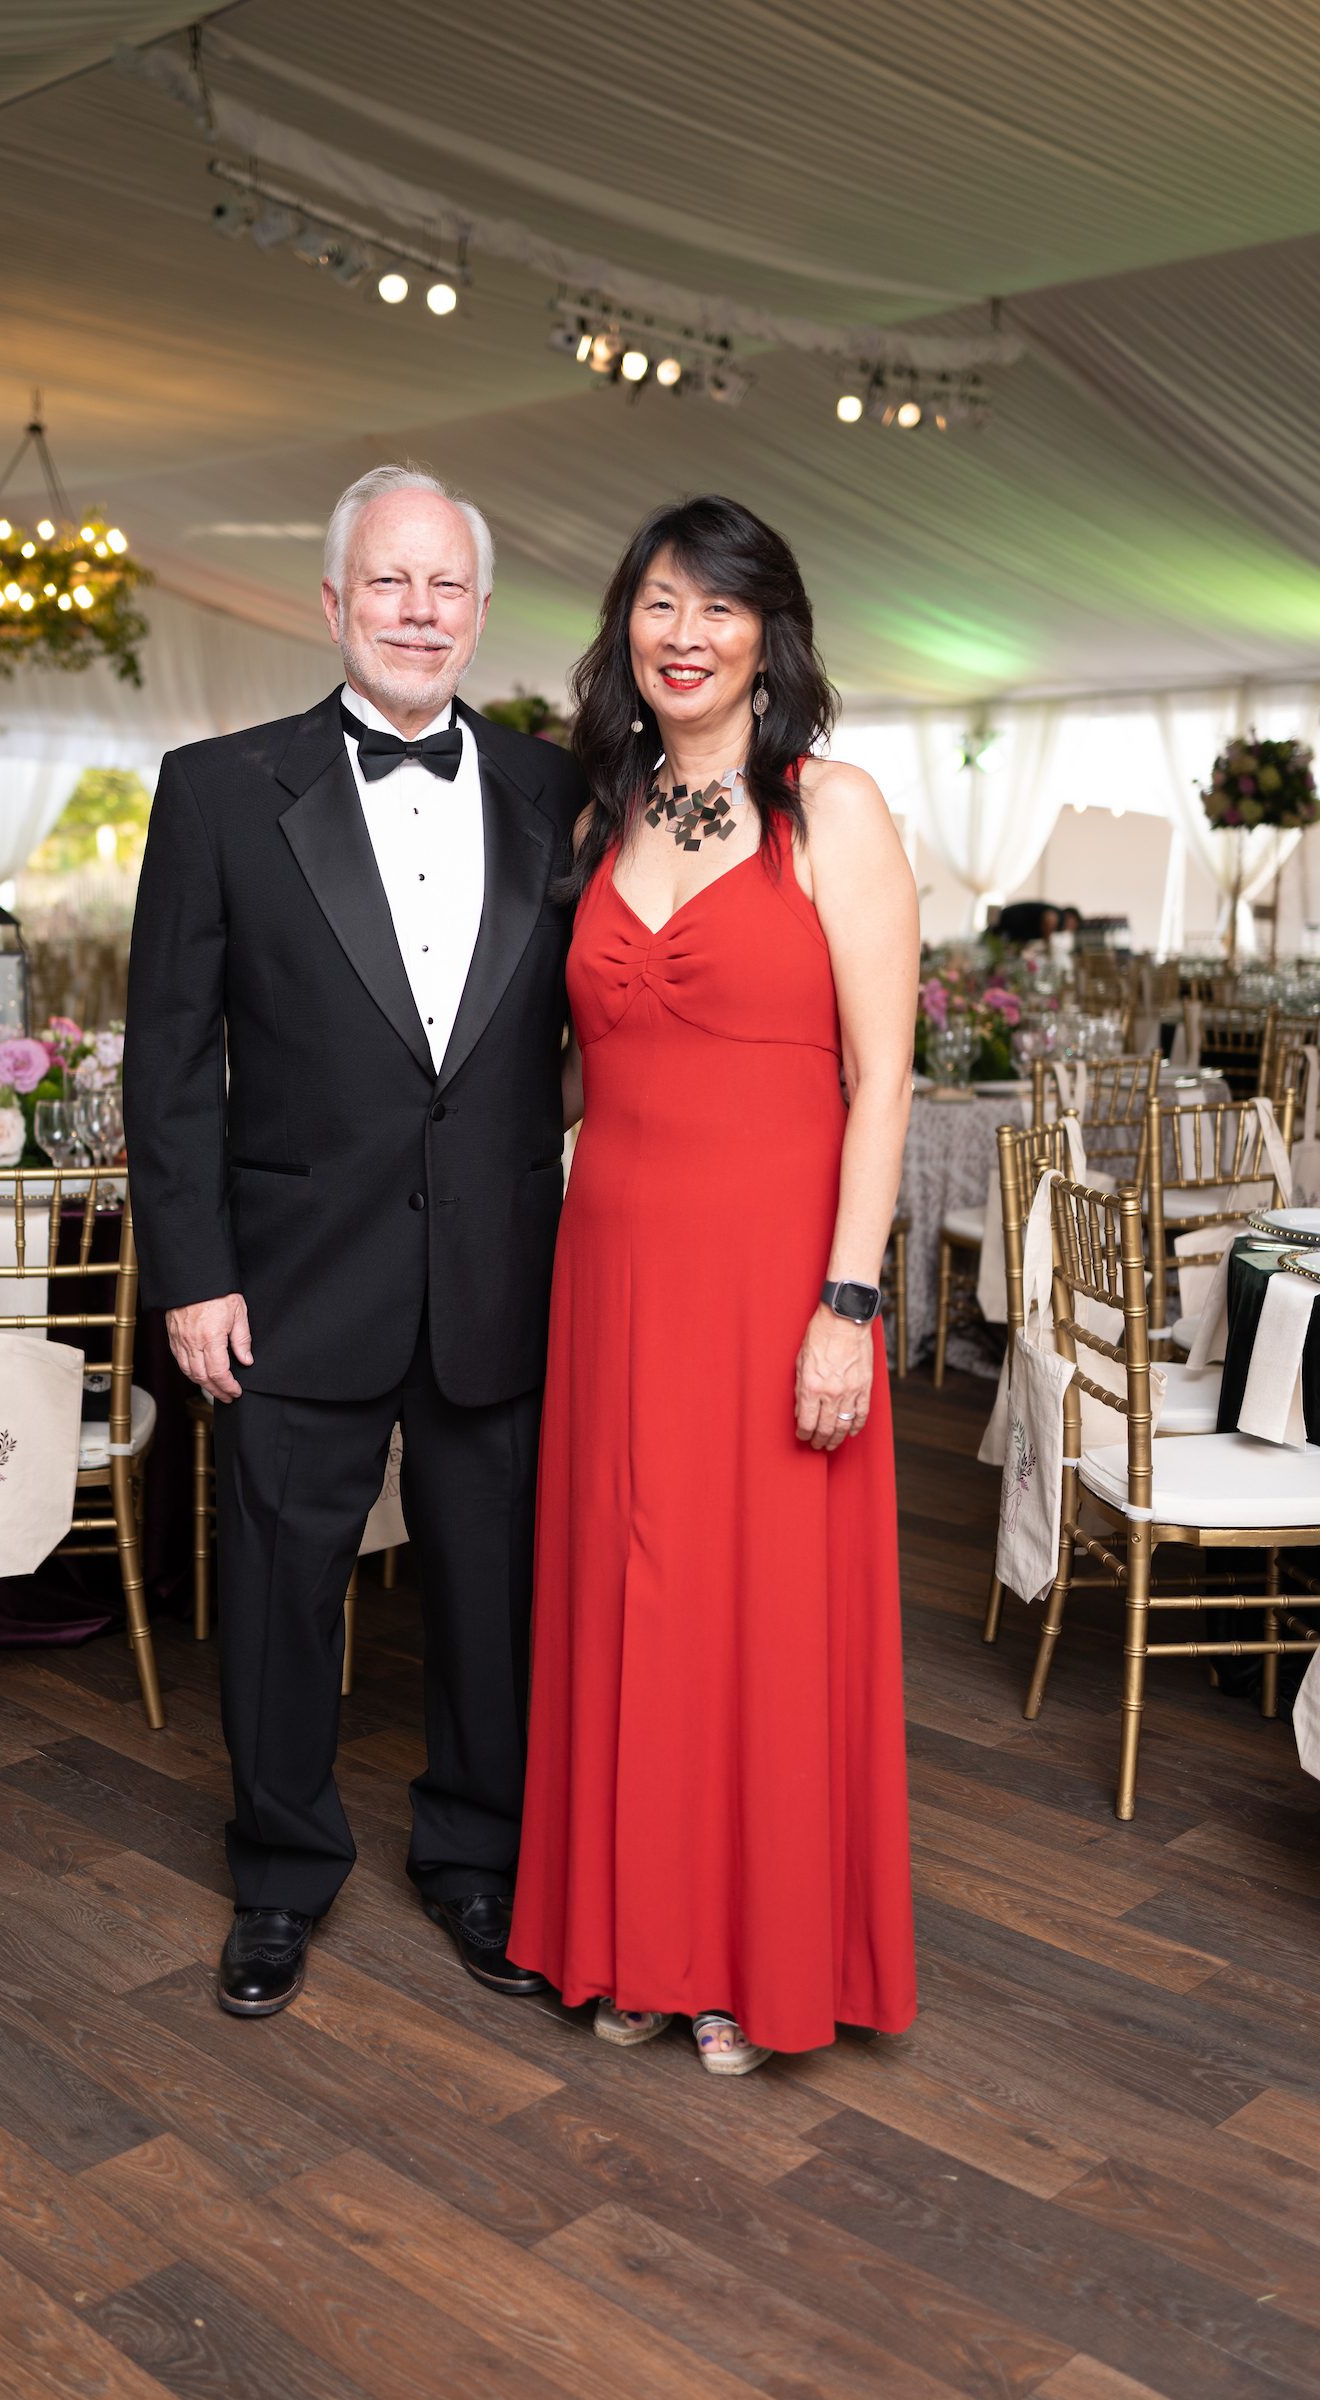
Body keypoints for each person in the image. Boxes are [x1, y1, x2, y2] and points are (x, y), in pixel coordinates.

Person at [125, 464, 585, 2017]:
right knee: (275, 1594)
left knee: (492, 1597)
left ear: (478, 612)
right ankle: (278, 1871)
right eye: (389, 582)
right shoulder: (215, 791)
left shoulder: (557, 791)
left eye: (445, 585)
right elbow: (168, 1059)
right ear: (332, 604)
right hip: (289, 1278)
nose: (417, 610)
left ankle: (477, 1858)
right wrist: (191, 1270)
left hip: (497, 1281)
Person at [508, 494, 918, 2073]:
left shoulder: (835, 809)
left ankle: (753, 1957)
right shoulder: (597, 818)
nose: (684, 636)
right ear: (626, 626)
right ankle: (633, 1938)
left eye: (717, 609)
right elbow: (561, 1070)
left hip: (772, 1276)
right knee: (630, 1602)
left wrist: (849, 1302)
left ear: (769, 636)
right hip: (611, 1268)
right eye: (659, 605)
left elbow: (883, 1081)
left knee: (760, 1616)